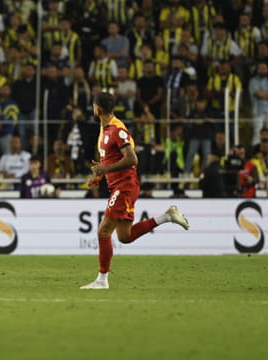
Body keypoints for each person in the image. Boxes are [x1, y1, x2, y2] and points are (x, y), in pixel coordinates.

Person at [80, 93, 189, 290]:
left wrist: (104, 170)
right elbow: (111, 159)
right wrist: (100, 175)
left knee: (103, 231)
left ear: (97, 109)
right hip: (119, 185)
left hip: (125, 186)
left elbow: (132, 159)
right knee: (125, 237)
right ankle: (167, 216)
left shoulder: (116, 130)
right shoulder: (104, 129)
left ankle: (102, 281)